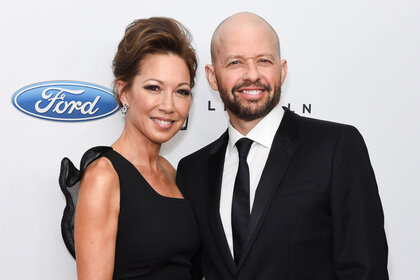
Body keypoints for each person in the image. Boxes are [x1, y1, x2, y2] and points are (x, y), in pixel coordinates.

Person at [176, 12, 389, 279]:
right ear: (212, 76)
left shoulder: (336, 147)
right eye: (235, 62)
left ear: (282, 70)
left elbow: (365, 269)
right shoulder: (192, 171)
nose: (252, 75)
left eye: (264, 60)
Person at [59, 17, 201, 280]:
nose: (168, 105)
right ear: (124, 92)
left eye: (181, 91)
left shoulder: (169, 171)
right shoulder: (104, 177)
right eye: (154, 88)